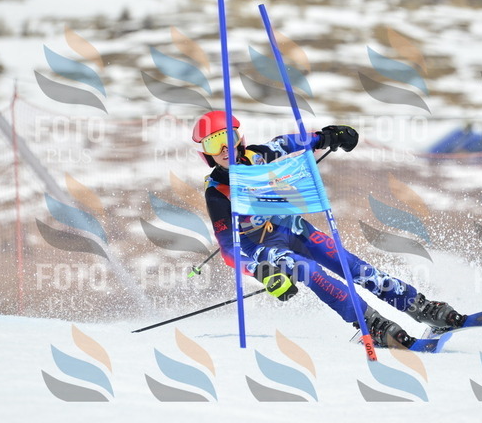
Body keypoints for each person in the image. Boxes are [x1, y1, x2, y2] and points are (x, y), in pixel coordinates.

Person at [193, 110, 466, 348]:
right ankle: (370, 323)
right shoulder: (216, 192)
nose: (224, 149)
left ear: (240, 138)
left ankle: (417, 305)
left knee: (348, 263)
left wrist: (327, 137)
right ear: (205, 153)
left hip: (292, 227)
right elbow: (228, 249)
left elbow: (288, 143)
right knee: (309, 270)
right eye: (214, 143)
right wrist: (261, 271)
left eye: (228, 137)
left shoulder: (257, 156)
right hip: (263, 246)